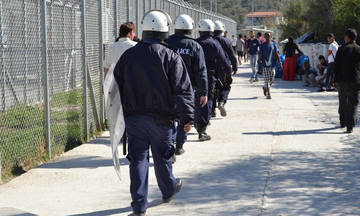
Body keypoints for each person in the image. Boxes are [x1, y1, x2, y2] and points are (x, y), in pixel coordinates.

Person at [113, 10, 195, 215]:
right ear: (164, 30)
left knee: (138, 160)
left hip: (135, 118)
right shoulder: (171, 56)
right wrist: (188, 117)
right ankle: (168, 189)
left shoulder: (128, 55)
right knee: (163, 157)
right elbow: (183, 89)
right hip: (162, 119)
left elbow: (118, 82)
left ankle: (139, 206)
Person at [166, 14, 208, 155]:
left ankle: (169, 143)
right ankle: (179, 145)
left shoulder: (166, 42)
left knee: (169, 117)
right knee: (185, 117)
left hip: (168, 88)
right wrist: (204, 92)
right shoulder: (195, 46)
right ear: (191, 28)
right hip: (188, 90)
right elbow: (201, 71)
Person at [196, 19, 230, 141]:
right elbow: (223, 60)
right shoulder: (215, 44)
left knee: (195, 100)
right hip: (209, 76)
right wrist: (228, 73)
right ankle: (202, 128)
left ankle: (196, 121)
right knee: (208, 100)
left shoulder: (195, 43)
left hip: (194, 76)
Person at [334, 28, 360, 133]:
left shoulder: (341, 49)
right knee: (353, 103)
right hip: (355, 80)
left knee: (343, 101)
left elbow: (336, 66)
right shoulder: (359, 49)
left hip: (342, 80)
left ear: (348, 37)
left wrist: (335, 80)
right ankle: (350, 126)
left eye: (345, 36)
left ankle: (342, 121)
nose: (344, 38)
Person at [213, 20, 237, 117]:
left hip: (212, 68)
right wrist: (235, 67)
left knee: (213, 88)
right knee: (226, 86)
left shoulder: (210, 40)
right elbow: (232, 55)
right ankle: (222, 102)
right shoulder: (226, 41)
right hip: (224, 68)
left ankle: (212, 109)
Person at [258, 32, 282, 99]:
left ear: (270, 37)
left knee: (272, 80)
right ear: (264, 37)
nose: (268, 37)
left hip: (272, 66)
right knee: (267, 80)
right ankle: (268, 94)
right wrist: (259, 67)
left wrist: (280, 63)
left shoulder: (273, 44)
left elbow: (277, 54)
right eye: (266, 36)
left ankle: (265, 87)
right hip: (265, 66)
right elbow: (260, 56)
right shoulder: (262, 45)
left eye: (269, 36)